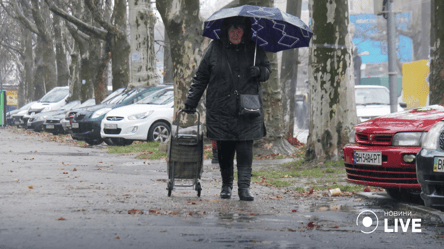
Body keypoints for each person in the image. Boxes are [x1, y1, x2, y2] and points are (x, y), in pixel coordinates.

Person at [184, 16, 271, 201]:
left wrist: (260, 72)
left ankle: (244, 188)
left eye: (239, 31)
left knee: (245, 148)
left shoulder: (254, 48)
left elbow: (267, 71)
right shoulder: (215, 48)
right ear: (226, 31)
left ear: (245, 32)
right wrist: (190, 103)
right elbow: (201, 77)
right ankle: (226, 186)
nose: (236, 34)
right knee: (225, 149)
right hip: (221, 107)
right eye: (232, 30)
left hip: (247, 108)